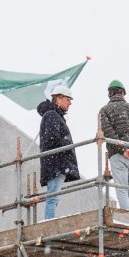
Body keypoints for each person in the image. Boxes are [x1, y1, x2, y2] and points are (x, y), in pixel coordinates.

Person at [96, 79, 129, 210]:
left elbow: (108, 132)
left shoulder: (104, 110)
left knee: (122, 190)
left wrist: (123, 150)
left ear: (109, 94)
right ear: (123, 93)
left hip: (118, 156)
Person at [36, 88, 79, 220]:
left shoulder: (54, 115)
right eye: (67, 99)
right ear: (59, 99)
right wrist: (66, 147)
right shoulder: (52, 115)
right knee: (52, 197)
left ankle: (50, 220)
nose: (70, 103)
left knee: (53, 196)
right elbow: (52, 138)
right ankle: (49, 221)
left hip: (55, 163)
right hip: (56, 163)